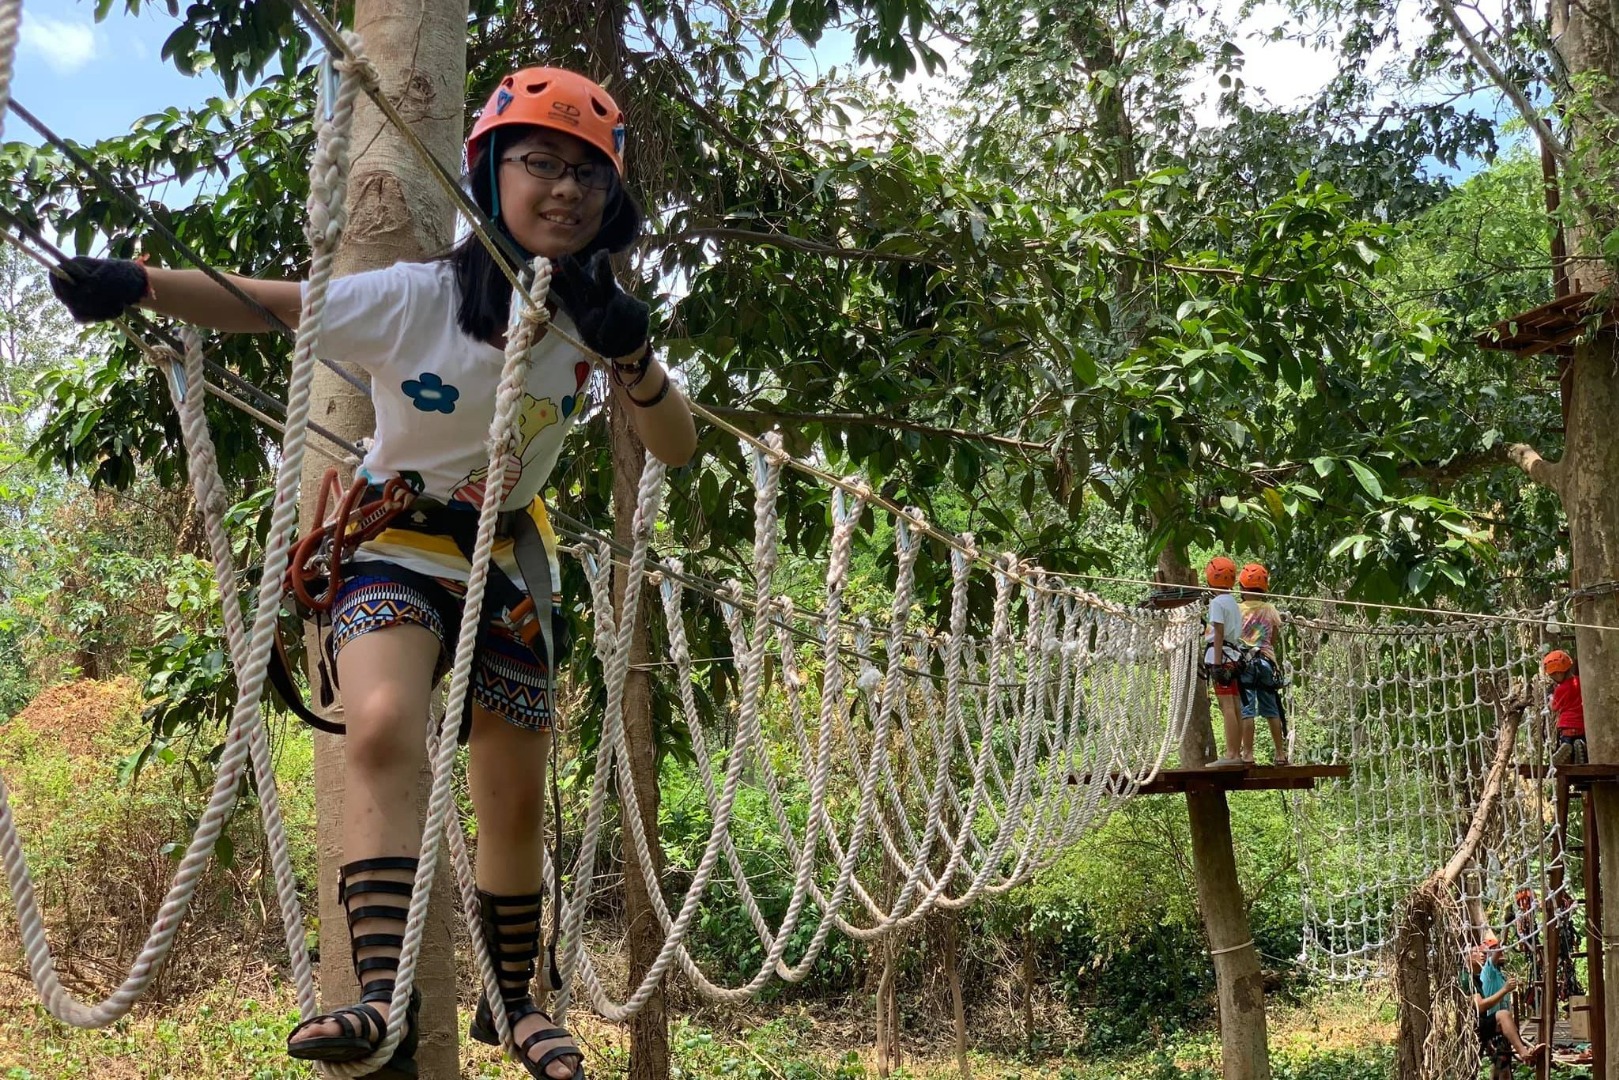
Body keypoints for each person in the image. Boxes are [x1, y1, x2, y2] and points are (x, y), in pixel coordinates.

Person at [49, 67, 697, 1080]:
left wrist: (634, 358)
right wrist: (141, 285)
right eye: (540, 162)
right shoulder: (415, 296)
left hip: (509, 556)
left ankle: (514, 1002)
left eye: (588, 174)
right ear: (491, 172)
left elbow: (676, 445)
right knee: (385, 722)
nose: (566, 189)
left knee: (513, 791)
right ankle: (381, 997)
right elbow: (275, 307)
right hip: (395, 538)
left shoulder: (593, 319)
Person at [1466, 937, 1547, 1077]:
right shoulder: (1487, 971)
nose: (1482, 955)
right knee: (1500, 1063)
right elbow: (1479, 1007)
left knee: (1502, 1066)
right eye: (1477, 952)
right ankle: (1523, 1054)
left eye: (1483, 952)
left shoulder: (1487, 975)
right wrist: (1505, 989)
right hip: (1488, 1025)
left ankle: (1524, 1052)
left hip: (1498, 1027)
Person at [1236, 562, 1286, 765]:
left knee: (1247, 710)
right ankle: (1280, 754)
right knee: (1271, 708)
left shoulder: (1237, 609)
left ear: (1241, 587)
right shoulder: (1270, 609)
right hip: (1266, 662)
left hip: (1244, 663)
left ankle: (1248, 754)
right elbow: (1273, 637)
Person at [1202, 556, 1245, 768]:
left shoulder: (1217, 603)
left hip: (1222, 656)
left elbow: (1218, 632)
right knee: (1235, 705)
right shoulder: (1232, 602)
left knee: (1226, 706)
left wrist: (1217, 664)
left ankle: (1231, 753)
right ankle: (1236, 752)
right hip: (1234, 656)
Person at [1545, 649, 1586, 766]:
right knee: (1582, 751)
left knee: (1567, 753)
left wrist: (1551, 699)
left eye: (1552, 676)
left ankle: (1567, 747)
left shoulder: (1560, 690)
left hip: (1566, 726)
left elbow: (1554, 707)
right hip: (1581, 724)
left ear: (1558, 673)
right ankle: (1581, 744)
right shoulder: (1581, 682)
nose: (1553, 679)